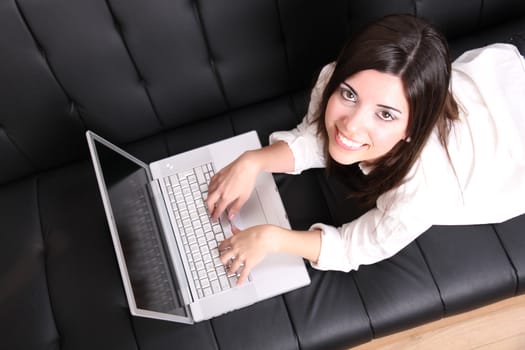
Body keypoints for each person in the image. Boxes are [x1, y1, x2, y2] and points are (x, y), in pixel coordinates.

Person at [205, 14, 525, 285]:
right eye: (349, 96)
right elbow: (320, 137)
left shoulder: (423, 188)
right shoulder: (338, 77)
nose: (351, 125)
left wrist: (273, 239)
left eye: (385, 114)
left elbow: (351, 248)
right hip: (494, 81)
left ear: (414, 128)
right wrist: (253, 161)